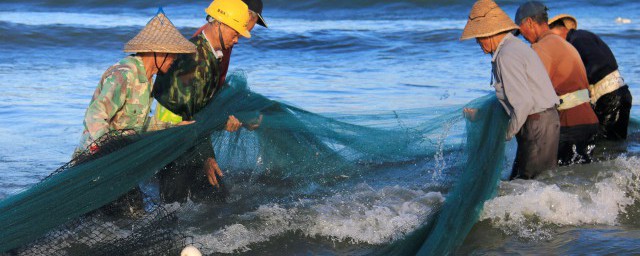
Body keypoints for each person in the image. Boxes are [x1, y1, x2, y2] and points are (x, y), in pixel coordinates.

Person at [151, 0, 255, 203]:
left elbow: (201, 105)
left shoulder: (207, 53)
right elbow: (190, 115)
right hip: (174, 141)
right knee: (177, 205)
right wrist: (207, 157)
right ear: (219, 24)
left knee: (207, 201)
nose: (236, 41)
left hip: (187, 138)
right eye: (235, 34)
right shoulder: (195, 60)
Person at [461, 0, 560, 179]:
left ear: (489, 33)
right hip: (542, 121)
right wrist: (482, 114)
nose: (477, 43)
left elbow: (523, 103)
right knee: (531, 183)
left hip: (537, 124)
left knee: (530, 185)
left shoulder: (506, 55)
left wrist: (505, 135)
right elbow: (513, 98)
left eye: (478, 37)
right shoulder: (513, 47)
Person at [76, 9, 196, 155]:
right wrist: (106, 148)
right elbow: (95, 114)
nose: (175, 60)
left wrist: (173, 127)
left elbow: (138, 124)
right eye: (173, 55)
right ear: (159, 53)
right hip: (94, 157)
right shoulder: (123, 75)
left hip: (122, 153)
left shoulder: (147, 79)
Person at [515, 1, 600, 166]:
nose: (523, 37)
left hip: (571, 123)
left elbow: (532, 90)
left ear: (530, 23)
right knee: (582, 179)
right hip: (589, 121)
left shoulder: (540, 48)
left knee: (558, 180)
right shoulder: (565, 44)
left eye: (521, 31)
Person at [548, 14, 632, 140]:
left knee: (602, 144)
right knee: (616, 143)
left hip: (610, 98)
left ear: (559, 31)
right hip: (620, 93)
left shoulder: (577, 41)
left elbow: (596, 65)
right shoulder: (584, 36)